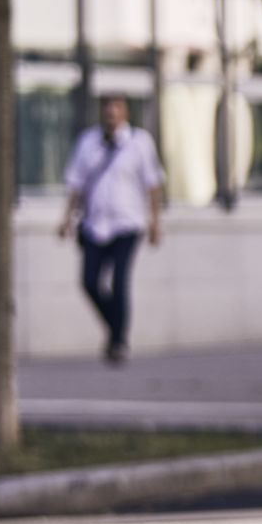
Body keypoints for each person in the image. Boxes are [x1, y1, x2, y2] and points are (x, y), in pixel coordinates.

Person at [58, 95, 165, 365]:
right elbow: (76, 184)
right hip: (95, 224)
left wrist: (155, 222)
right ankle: (115, 329)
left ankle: (118, 341)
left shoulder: (139, 143)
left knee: (119, 283)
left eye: (117, 110)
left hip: (127, 224)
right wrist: (66, 219)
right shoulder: (88, 142)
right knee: (89, 282)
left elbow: (153, 184)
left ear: (125, 113)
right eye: (108, 110)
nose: (111, 115)